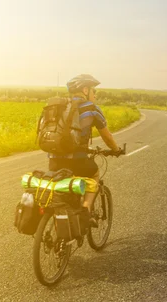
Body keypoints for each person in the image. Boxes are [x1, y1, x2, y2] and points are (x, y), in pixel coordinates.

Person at [48, 74, 122, 215]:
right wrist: (116, 150)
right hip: (78, 160)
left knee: (61, 191)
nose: (95, 95)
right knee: (93, 176)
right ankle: (86, 213)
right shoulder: (91, 108)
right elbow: (107, 136)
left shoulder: (59, 106)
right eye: (94, 91)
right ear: (85, 90)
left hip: (54, 158)